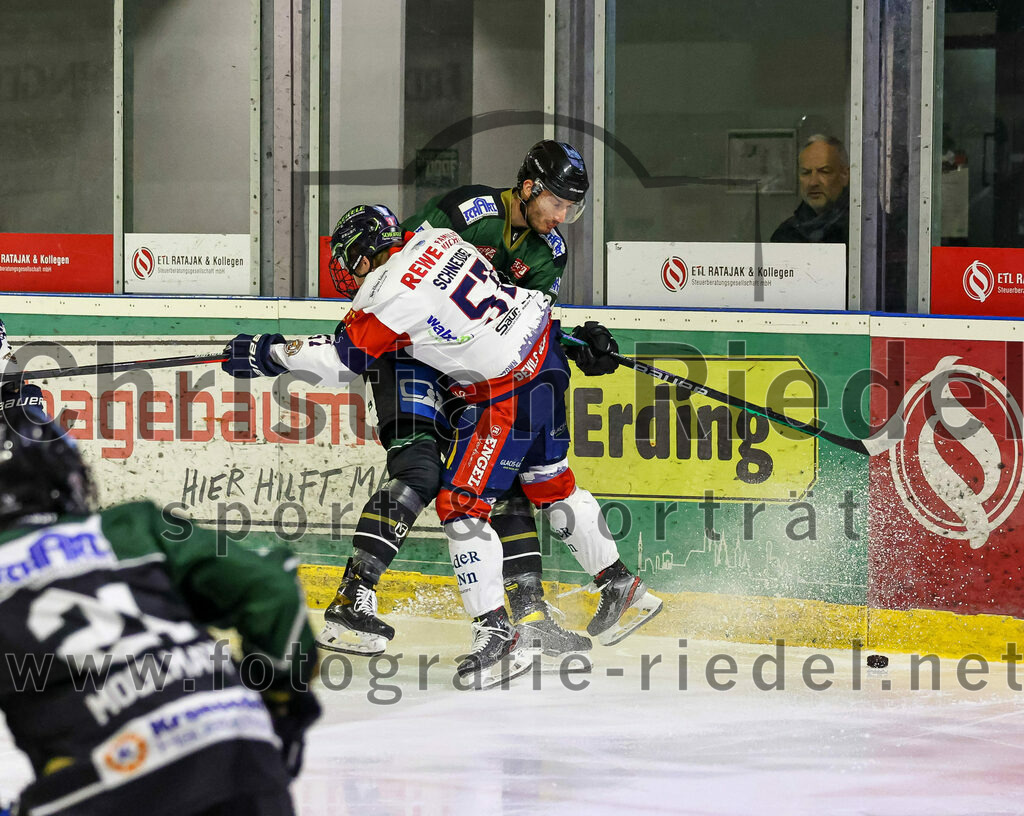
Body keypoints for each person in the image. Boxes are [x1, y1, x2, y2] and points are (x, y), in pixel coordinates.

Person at [221, 205, 663, 689]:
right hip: (544, 352)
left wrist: (269, 354)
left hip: (507, 388)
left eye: (351, 259)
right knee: (550, 480)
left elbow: (345, 358)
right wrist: (572, 341)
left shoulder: (388, 292)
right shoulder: (440, 240)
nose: (350, 272)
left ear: (365, 254)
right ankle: (621, 584)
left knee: (461, 505)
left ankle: (497, 635)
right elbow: (499, 304)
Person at [316, 141, 615, 665]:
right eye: (558, 202)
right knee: (419, 469)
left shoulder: (551, 251)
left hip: (468, 369)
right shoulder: (465, 210)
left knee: (509, 473)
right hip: (407, 353)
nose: (564, 216)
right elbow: (402, 269)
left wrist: (571, 343)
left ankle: (529, 616)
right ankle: (353, 594)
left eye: (573, 206)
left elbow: (512, 319)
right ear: (528, 188)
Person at [0, 328, 320, 815]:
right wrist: (281, 703)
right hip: (241, 753)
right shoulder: (132, 527)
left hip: (112, 784)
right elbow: (273, 586)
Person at [770, 134, 850, 244]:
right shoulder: (786, 234)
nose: (813, 182)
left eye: (824, 172)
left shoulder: (863, 228)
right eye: (806, 173)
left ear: (844, 175)